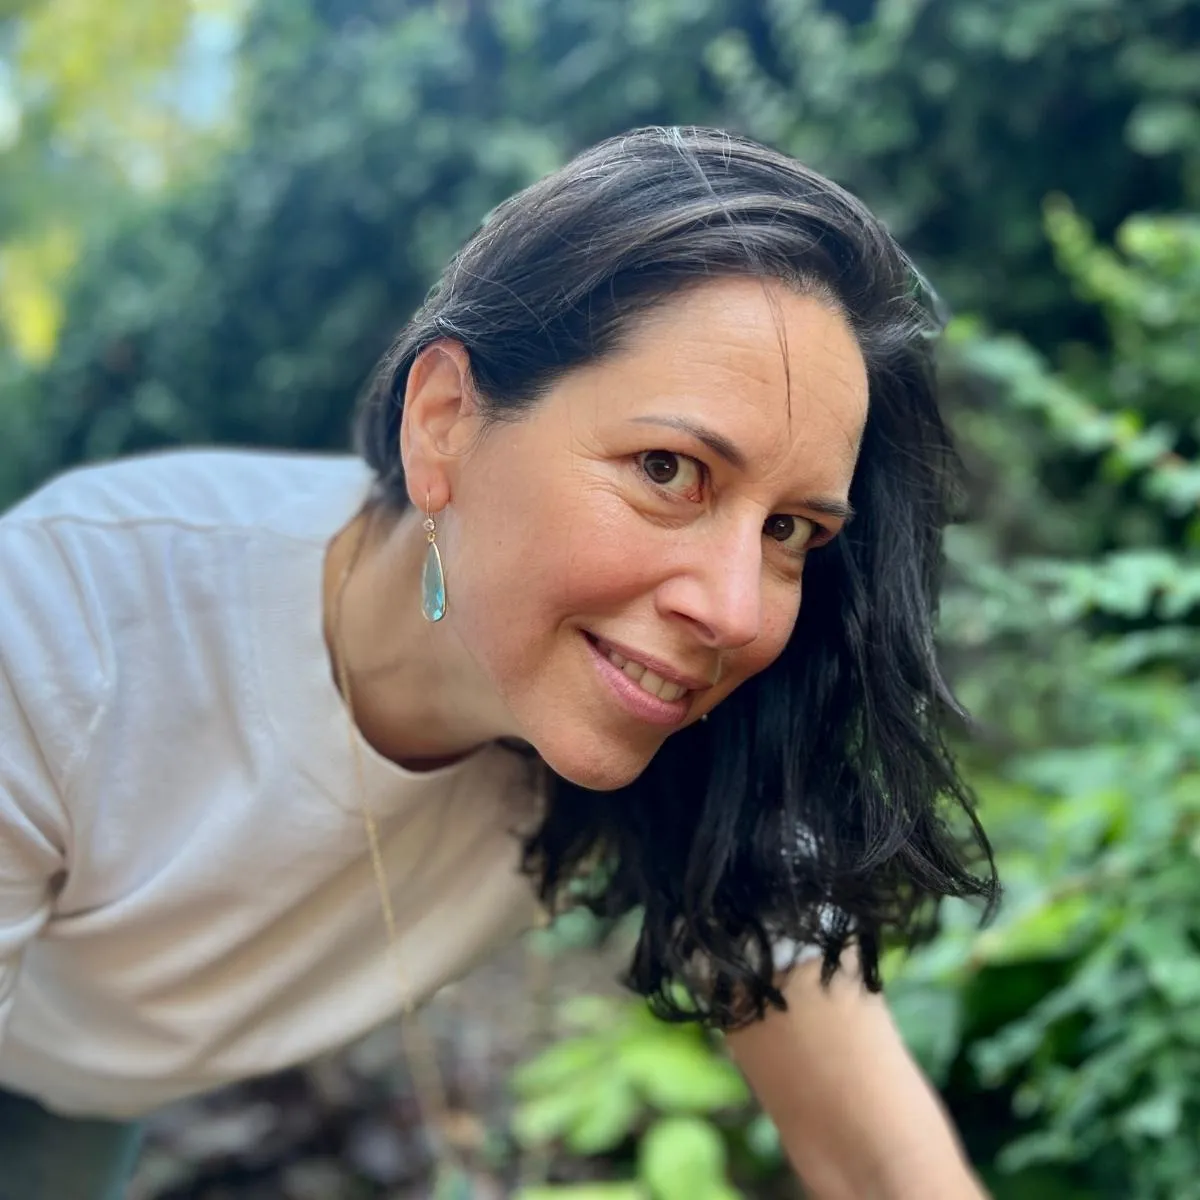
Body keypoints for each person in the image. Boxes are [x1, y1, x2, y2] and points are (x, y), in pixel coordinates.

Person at [0, 125, 996, 1199]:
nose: (735, 612)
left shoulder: (693, 735)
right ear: (443, 425)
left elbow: (877, 1161)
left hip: (98, 1102)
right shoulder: (68, 625)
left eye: (793, 531)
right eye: (670, 469)